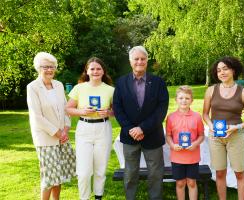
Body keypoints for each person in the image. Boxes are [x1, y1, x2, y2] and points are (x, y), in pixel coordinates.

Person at [113, 46, 169, 200]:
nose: (139, 62)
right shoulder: (121, 82)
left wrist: (142, 128)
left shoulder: (158, 82)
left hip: (152, 135)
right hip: (129, 136)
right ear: (130, 61)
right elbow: (117, 108)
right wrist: (131, 128)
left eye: (143, 59)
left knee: (155, 174)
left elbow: (161, 109)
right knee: (130, 173)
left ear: (147, 61)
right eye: (136, 59)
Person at [202, 56, 244, 200]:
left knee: (239, 173)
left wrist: (235, 127)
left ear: (233, 70)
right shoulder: (211, 90)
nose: (222, 73)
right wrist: (211, 126)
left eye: (225, 69)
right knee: (220, 173)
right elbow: (205, 115)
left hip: (236, 136)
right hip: (216, 137)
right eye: (219, 70)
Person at [27, 52, 76, 200]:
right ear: (38, 68)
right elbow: (37, 116)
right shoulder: (33, 87)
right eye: (46, 67)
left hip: (62, 136)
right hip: (45, 138)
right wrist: (58, 133)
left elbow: (65, 108)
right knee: (49, 176)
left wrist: (66, 128)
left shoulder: (59, 85)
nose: (49, 70)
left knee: (58, 175)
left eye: (52, 67)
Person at [65, 57, 114, 200]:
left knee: (100, 168)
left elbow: (117, 111)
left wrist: (109, 113)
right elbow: (68, 109)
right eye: (92, 68)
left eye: (98, 68)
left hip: (103, 128)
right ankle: (84, 197)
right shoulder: (79, 88)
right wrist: (82, 111)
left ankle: (98, 196)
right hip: (84, 129)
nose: (95, 71)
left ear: (103, 71)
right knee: (84, 171)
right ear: (87, 70)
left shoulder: (110, 90)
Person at [166, 85, 204, 200]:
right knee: (180, 183)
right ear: (176, 100)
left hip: (192, 156)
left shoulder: (197, 117)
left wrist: (195, 144)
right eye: (181, 98)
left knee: (192, 183)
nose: (184, 101)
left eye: (187, 98)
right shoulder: (171, 117)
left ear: (191, 100)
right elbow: (168, 136)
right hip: (177, 157)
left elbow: (201, 136)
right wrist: (172, 145)